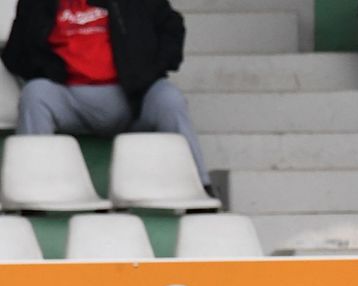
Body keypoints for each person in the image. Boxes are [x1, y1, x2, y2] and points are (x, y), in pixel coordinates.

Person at [0, 0, 213, 194]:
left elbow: (172, 27)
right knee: (35, 93)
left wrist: (152, 71)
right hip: (70, 99)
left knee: (169, 98)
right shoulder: (36, 3)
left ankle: (199, 186)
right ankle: (29, 188)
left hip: (134, 98)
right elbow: (15, 53)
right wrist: (47, 70)